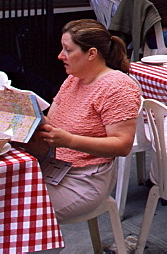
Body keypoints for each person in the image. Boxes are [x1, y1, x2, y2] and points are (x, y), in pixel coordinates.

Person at [23, 20, 140, 222]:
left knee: (18, 212)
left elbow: (122, 145)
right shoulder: (74, 78)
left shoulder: (118, 87)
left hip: (85, 180)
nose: (61, 56)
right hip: (54, 167)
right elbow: (51, 123)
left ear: (91, 54)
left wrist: (69, 140)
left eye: (68, 50)